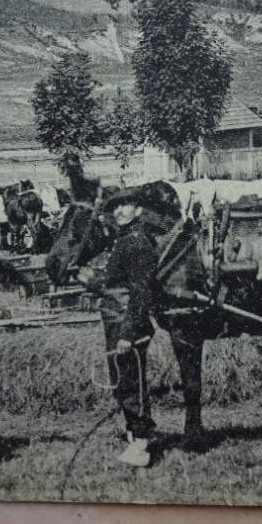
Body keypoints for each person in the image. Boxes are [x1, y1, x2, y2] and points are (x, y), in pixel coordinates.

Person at [97, 183, 182, 467]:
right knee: (122, 382)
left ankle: (142, 445)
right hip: (116, 319)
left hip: (126, 324)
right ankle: (135, 435)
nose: (119, 211)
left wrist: (128, 334)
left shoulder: (136, 242)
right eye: (114, 207)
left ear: (138, 209)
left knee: (132, 382)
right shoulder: (125, 239)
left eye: (125, 205)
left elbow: (141, 292)